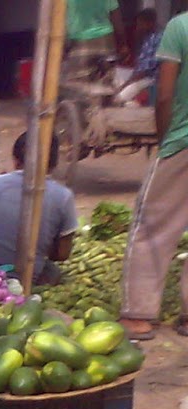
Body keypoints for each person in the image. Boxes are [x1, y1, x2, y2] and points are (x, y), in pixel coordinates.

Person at [122, 10, 188, 341]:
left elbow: (164, 95)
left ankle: (139, 314)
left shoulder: (180, 27)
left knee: (152, 226)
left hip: (183, 141)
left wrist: (164, 140)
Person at [0, 134, 77, 284]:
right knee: (53, 272)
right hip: (21, 279)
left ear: (15, 160)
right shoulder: (63, 196)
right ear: (54, 164)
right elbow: (62, 254)